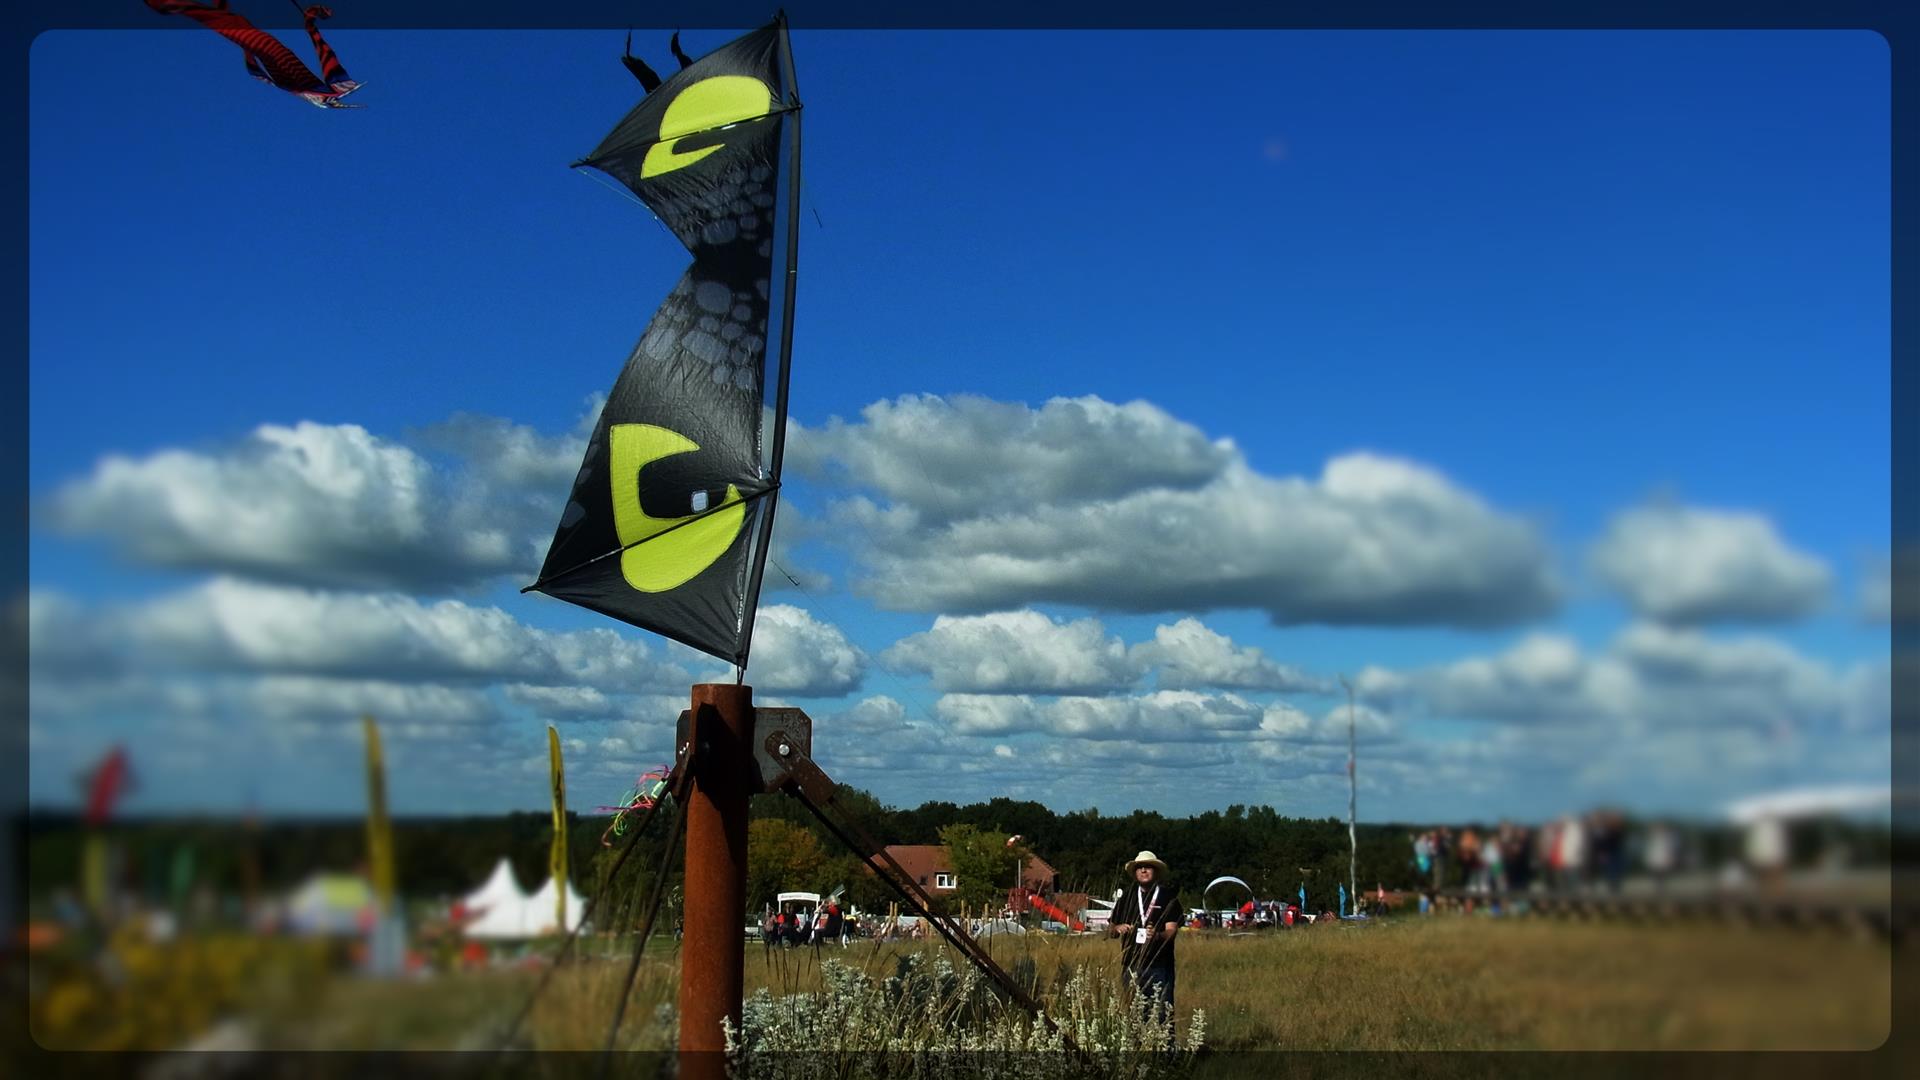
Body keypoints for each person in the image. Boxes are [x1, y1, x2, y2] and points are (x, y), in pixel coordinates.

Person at [1107, 850, 1184, 1017]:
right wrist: (1117, 928)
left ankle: (1164, 1044)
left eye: (1148, 867)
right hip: (1131, 965)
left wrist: (1157, 936)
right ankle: (1137, 1044)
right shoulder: (1126, 897)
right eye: (1140, 867)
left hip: (1159, 966)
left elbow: (1172, 931)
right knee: (1134, 1014)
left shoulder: (1168, 897)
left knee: (1162, 1013)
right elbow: (1110, 930)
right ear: (1135, 872)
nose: (1143, 870)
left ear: (1155, 871)